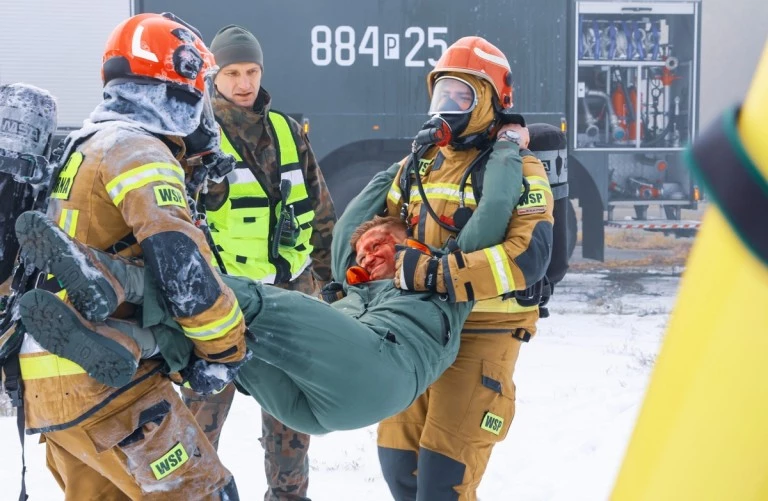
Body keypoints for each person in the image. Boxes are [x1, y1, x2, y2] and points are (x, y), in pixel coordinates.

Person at [14, 108, 525, 434]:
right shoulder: (357, 284)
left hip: (381, 371)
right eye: (365, 251)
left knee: (249, 301)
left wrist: (506, 147)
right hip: (312, 407)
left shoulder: (443, 279)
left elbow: (497, 205)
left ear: (408, 242)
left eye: (379, 247)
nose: (366, 256)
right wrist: (406, 163)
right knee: (225, 340)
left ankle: (115, 276)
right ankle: (133, 341)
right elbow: (350, 223)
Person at [12, 13, 247, 500]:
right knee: (206, 495)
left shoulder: (80, 148)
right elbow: (184, 267)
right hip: (115, 382)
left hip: (48, 384)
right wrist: (225, 350)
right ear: (176, 84)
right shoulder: (138, 150)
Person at [365, 36, 555, 500]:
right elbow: (390, 221)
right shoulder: (421, 165)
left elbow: (528, 255)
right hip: (417, 331)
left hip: (483, 333)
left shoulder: (521, 169)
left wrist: (438, 276)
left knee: (442, 484)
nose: (448, 105)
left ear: (490, 100)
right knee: (399, 469)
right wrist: (371, 260)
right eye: (442, 93)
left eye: (462, 95)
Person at [179, 24, 336, 500]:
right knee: (199, 419)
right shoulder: (195, 138)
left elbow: (322, 212)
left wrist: (332, 284)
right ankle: (192, 493)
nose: (244, 82)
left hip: (289, 298)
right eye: (232, 72)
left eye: (251, 71)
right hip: (221, 303)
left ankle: (289, 496)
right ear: (214, 76)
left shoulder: (288, 132)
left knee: (290, 418)